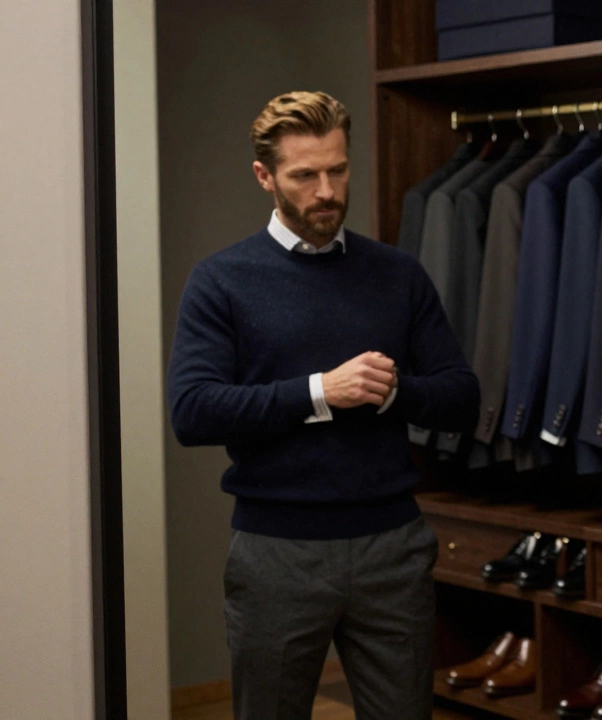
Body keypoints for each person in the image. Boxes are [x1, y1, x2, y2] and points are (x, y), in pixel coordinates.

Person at [168, 90, 479, 720]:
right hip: (276, 553)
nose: (327, 190)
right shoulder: (221, 280)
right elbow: (193, 411)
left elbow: (461, 398)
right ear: (265, 177)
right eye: (305, 175)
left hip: (391, 546)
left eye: (337, 170)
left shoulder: (397, 273)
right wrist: (320, 391)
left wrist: (394, 391)